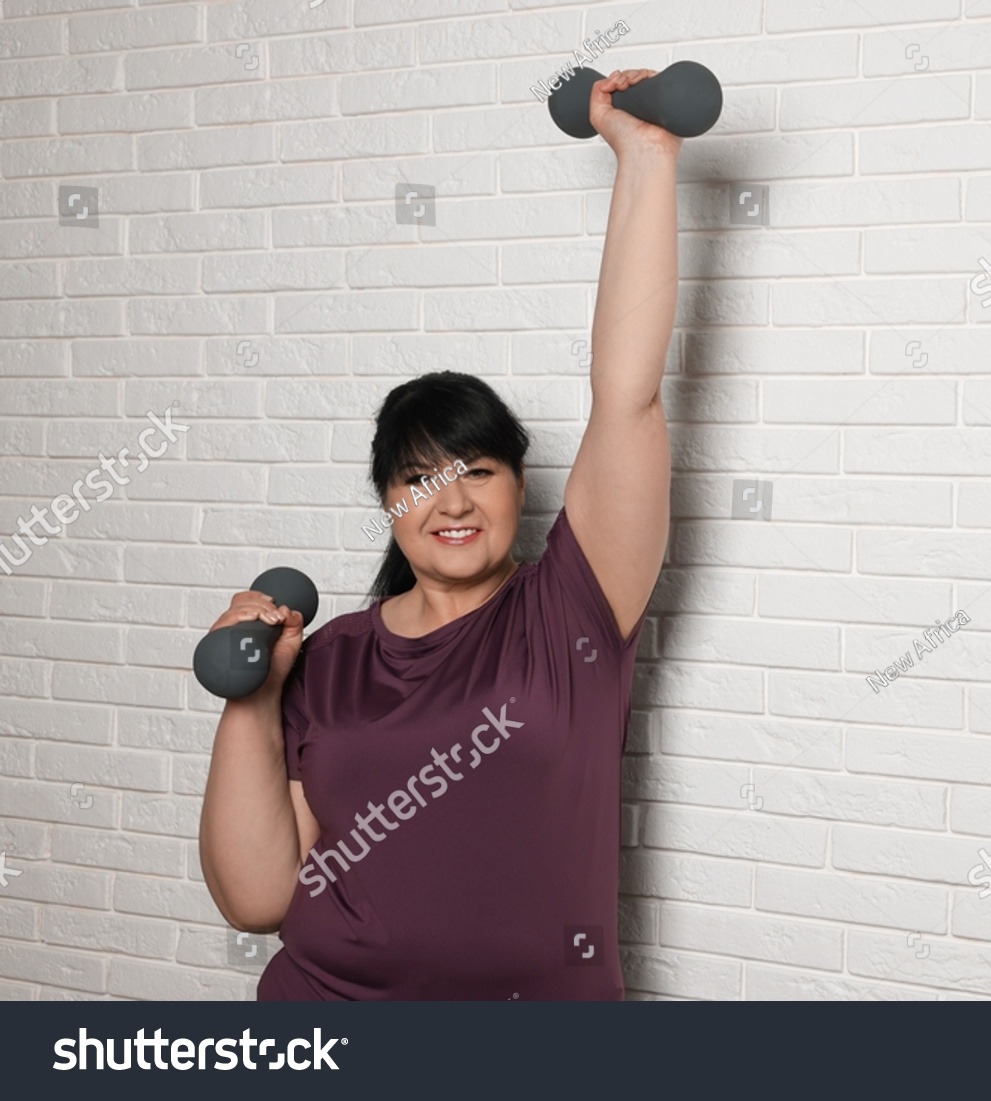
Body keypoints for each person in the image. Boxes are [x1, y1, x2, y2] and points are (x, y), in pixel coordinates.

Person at [198, 69, 680, 999]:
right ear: (388, 502)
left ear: (522, 486)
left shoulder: (572, 614)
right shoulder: (330, 656)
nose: (450, 501)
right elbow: (257, 897)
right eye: (420, 479)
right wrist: (251, 699)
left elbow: (629, 393)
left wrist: (646, 158)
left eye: (477, 471)